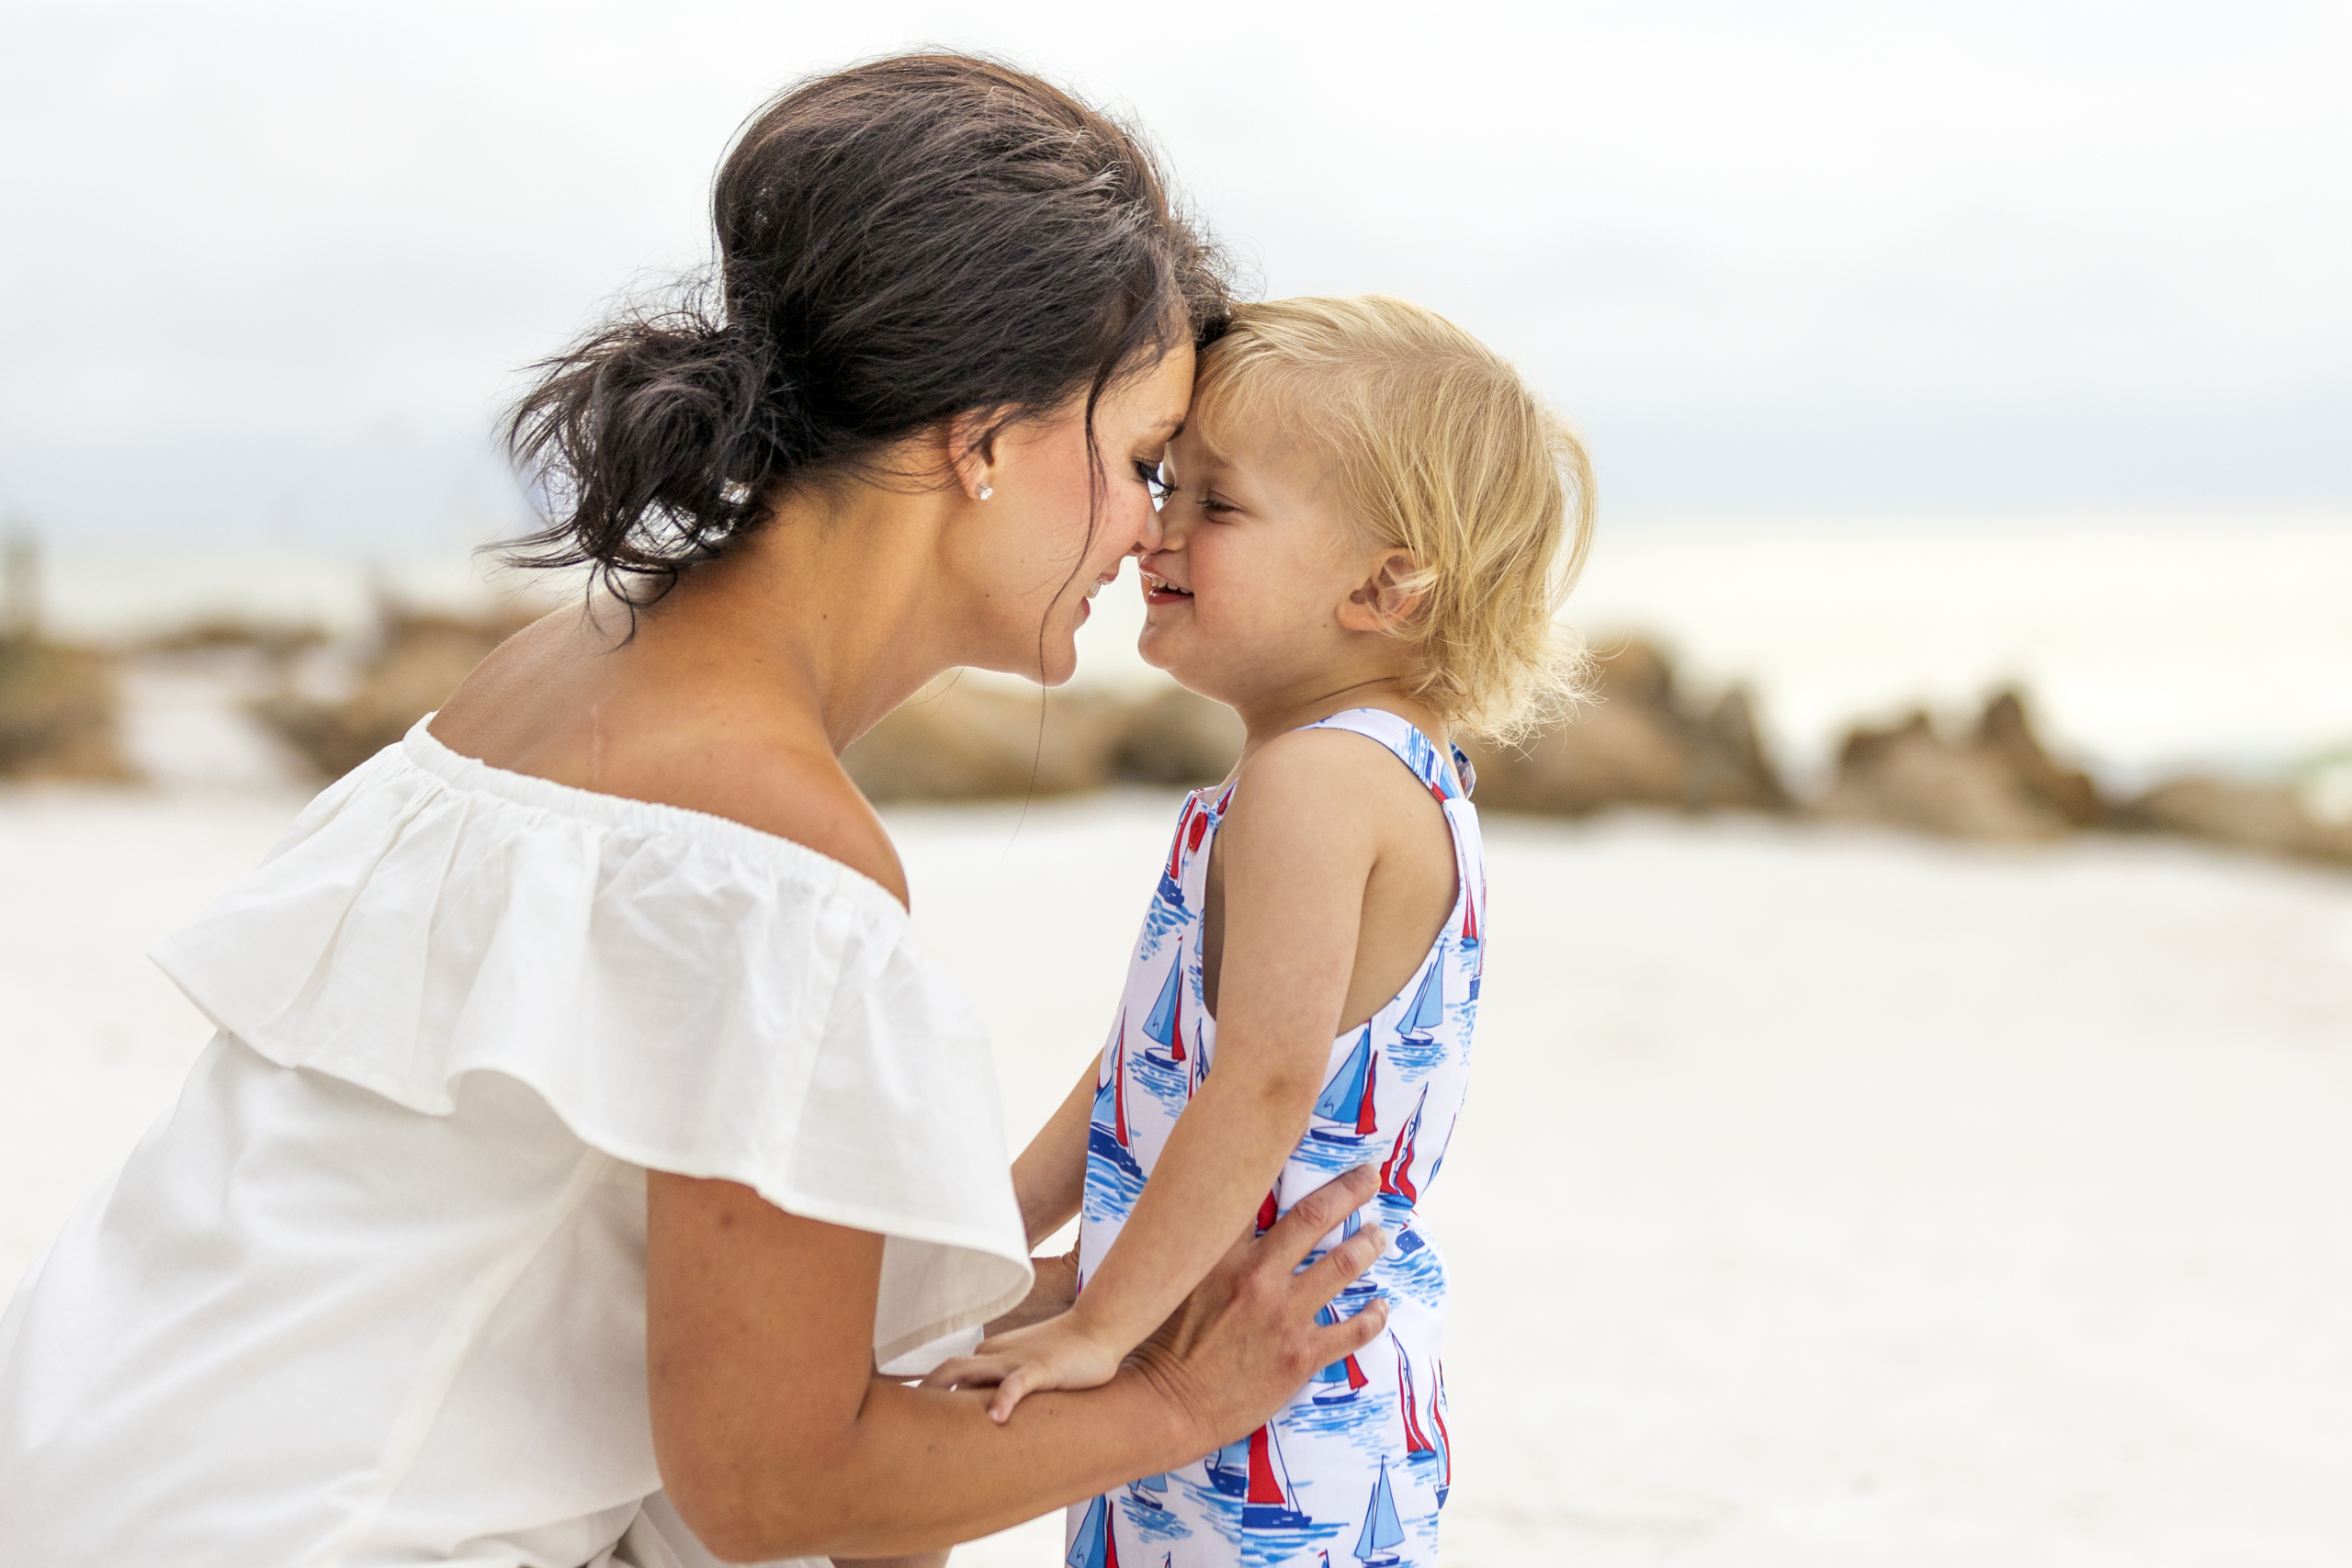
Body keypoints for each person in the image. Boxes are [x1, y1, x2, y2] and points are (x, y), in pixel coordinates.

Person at [0, 56, 1391, 1567]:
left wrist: (1095, 1300)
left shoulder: (563, 670)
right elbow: (776, 1489)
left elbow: (593, 1279)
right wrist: (1183, 1400)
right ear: (985, 435)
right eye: (1139, 462)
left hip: (85, 1478)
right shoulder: (774, 857)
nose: (1146, 530)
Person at [923, 297, 1595, 1566]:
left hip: (1259, 1392)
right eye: (1164, 483)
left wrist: (1098, 1329)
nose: (1155, 528)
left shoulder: (1319, 784)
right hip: (1242, 1347)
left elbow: (1268, 1082)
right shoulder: (1363, 773)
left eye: (1217, 505)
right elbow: (1148, 1062)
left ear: (1387, 586)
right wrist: (991, 1237)